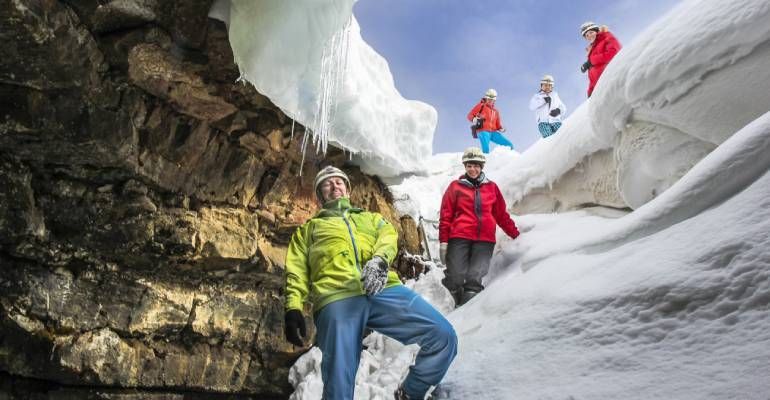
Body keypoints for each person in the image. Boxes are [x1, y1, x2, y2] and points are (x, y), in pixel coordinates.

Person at [284, 165, 458, 400]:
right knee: (338, 381)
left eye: (339, 182)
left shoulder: (372, 219)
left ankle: (410, 392)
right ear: (319, 194)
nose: (334, 185)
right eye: (327, 183)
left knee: (443, 335)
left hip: (383, 289)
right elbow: (296, 270)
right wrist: (293, 307)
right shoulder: (308, 230)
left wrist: (379, 261)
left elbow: (388, 238)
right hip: (337, 297)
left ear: (347, 190)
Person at [438, 148, 520, 306]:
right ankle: (449, 304)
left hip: (485, 240)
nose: (472, 169)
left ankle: (466, 312)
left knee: (475, 277)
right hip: (459, 236)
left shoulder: (492, 188)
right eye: (469, 165)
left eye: (476, 165)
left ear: (481, 166)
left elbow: (501, 215)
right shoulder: (455, 187)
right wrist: (443, 242)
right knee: (455, 275)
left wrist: (515, 234)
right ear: (465, 166)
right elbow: (446, 215)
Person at [579, 21, 622, 97]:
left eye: (591, 32)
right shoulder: (592, 51)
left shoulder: (607, 37)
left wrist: (591, 61)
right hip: (601, 91)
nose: (589, 36)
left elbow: (614, 53)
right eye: (587, 35)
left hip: (613, 81)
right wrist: (590, 93)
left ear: (597, 31)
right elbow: (593, 77)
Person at [466, 88, 514, 154]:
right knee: (486, 149)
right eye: (488, 99)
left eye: (491, 99)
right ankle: (485, 161)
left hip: (493, 132)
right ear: (486, 98)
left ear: (494, 100)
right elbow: (469, 115)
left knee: (509, 145)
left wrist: (501, 129)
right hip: (483, 130)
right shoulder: (481, 106)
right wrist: (474, 119)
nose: (489, 101)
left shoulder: (496, 111)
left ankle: (509, 161)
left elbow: (498, 125)